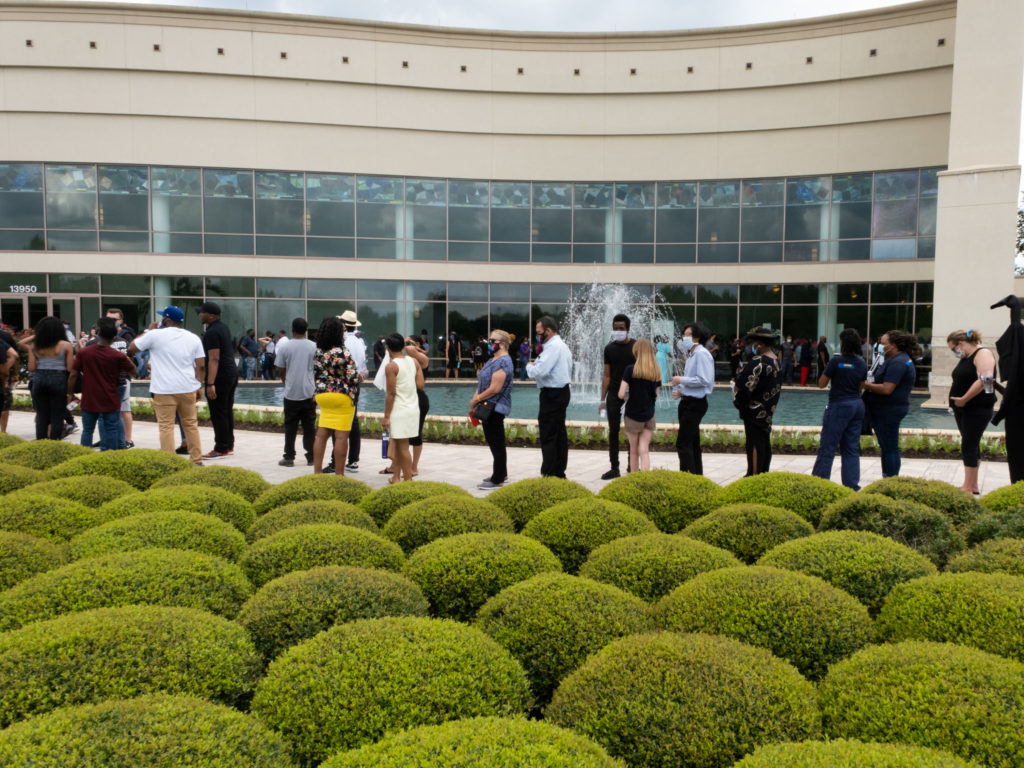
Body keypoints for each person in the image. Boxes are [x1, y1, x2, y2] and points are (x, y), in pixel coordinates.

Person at [128, 306, 205, 464]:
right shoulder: (193, 337)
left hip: (163, 389)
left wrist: (148, 331)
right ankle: (196, 460)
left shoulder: (155, 335)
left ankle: (170, 463)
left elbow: (132, 347)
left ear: (167, 320)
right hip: (187, 387)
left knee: (166, 426)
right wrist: (199, 386)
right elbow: (201, 366)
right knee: (190, 424)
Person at [68, 317, 136, 451]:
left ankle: (84, 456)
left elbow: (73, 375)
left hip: (89, 398)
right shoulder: (118, 356)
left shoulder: (84, 352)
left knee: (87, 430)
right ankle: (108, 456)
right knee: (111, 428)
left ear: (97, 333)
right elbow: (134, 372)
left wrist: (70, 393)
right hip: (110, 398)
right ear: (114, 336)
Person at [812, 328, 868, 490]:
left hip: (839, 406)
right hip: (857, 406)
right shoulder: (861, 362)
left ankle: (819, 484)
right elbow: (861, 387)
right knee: (851, 448)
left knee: (828, 447)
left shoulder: (836, 361)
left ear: (842, 343)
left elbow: (821, 384)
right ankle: (852, 486)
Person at [862, 330, 918, 478]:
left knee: (889, 447)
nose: (880, 346)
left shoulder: (898, 363)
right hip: (886, 409)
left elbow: (887, 389)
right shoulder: (895, 359)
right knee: (887, 446)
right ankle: (887, 476)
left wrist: (865, 385)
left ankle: (891, 478)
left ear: (893, 345)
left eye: (883, 343)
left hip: (888, 410)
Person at [947, 329, 996, 495]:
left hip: (976, 408)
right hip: (964, 409)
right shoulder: (966, 357)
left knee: (968, 445)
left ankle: (968, 487)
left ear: (960, 344)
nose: (955, 352)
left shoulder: (983, 354)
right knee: (971, 445)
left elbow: (986, 379)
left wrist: (964, 399)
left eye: (953, 349)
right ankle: (971, 484)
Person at [312, 316, 360, 475]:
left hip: (323, 396)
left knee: (321, 435)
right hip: (342, 396)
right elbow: (352, 377)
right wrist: (362, 377)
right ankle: (339, 475)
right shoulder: (343, 352)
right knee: (341, 437)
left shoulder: (318, 351)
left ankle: (316, 473)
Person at [526, 315, 573, 478]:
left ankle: (549, 472)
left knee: (549, 433)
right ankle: (559, 470)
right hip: (561, 392)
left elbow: (539, 370)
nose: (538, 336)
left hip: (552, 394)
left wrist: (529, 366)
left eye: (539, 333)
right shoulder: (562, 346)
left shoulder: (553, 347)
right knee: (559, 433)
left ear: (548, 331)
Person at [734, 327, 782, 476]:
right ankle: (763, 475)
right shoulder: (776, 361)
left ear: (760, 344)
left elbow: (740, 386)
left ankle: (753, 478)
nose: (752, 346)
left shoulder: (758, 362)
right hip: (767, 412)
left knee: (754, 445)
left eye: (754, 343)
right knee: (764, 444)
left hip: (754, 412)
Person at [670, 321, 715, 475]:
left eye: (688, 335)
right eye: (684, 335)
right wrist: (681, 391)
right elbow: (694, 381)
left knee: (683, 444)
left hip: (695, 404)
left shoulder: (701, 354)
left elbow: (704, 380)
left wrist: (681, 380)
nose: (684, 338)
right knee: (692, 443)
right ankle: (696, 477)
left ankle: (687, 479)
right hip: (688, 401)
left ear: (697, 337)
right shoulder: (692, 355)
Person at [472, 329, 515, 489]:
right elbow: (482, 383)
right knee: (494, 442)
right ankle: (501, 473)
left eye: (492, 341)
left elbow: (495, 388)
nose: (490, 344)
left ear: (502, 344)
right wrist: (475, 399)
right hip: (487, 405)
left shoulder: (504, 361)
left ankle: (498, 479)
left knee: (496, 443)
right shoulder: (493, 359)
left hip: (495, 407)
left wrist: (476, 399)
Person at [197, 301, 238, 459]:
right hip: (231, 374)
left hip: (220, 377)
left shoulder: (212, 332)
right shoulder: (223, 327)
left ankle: (220, 448)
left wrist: (210, 383)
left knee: (218, 413)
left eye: (203, 312)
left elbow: (214, 359)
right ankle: (228, 445)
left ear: (212, 315)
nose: (200, 314)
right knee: (226, 411)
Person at [275, 317, 317, 467]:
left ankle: (289, 457)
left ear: (292, 329)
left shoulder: (285, 347)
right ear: (306, 330)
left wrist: (286, 381)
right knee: (309, 427)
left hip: (291, 392)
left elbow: (281, 368)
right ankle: (311, 456)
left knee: (290, 426)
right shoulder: (314, 346)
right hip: (309, 392)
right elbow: (317, 369)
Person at [991, 295, 1024, 485]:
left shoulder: (1019, 362)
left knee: (1019, 457)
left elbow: (1017, 334)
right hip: (1017, 413)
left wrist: (1015, 309)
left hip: (1018, 419)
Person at [382, 332, 423, 483]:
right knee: (400, 446)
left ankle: (407, 481)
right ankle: (396, 478)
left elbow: (391, 393)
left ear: (388, 348)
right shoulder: (414, 362)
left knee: (403, 447)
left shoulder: (391, 367)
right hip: (413, 408)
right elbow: (420, 385)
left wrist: (386, 416)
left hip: (399, 410)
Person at [26, 316, 74, 441]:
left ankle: (41, 443)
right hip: (58, 379)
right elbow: (70, 368)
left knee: (41, 415)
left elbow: (31, 368)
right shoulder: (66, 345)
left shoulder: (35, 346)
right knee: (57, 415)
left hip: (39, 379)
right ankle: (54, 442)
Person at [599, 314, 635, 480]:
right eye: (615, 328)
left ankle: (631, 465)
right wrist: (602, 400)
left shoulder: (636, 347)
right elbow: (607, 375)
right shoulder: (609, 348)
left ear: (627, 329)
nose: (618, 331)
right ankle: (614, 468)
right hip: (614, 394)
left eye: (621, 328)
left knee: (632, 431)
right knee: (613, 431)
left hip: (632, 394)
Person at [618, 338, 660, 473]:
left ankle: (634, 479)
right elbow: (656, 395)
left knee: (634, 450)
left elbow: (620, 394)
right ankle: (645, 479)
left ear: (636, 351)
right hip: (649, 414)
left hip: (632, 414)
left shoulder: (630, 370)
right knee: (644, 449)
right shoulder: (656, 371)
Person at [338, 310, 367, 473]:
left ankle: (337, 461)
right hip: (356, 383)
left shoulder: (342, 342)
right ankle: (353, 460)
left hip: (342, 384)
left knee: (339, 422)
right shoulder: (359, 342)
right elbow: (362, 367)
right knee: (353, 421)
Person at [106, 308, 136, 448]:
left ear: (120, 321)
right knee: (107, 411)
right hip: (106, 379)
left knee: (124, 409)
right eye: (108, 319)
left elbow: (131, 357)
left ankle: (128, 439)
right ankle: (109, 437)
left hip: (122, 378)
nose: (111, 322)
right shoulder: (102, 336)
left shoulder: (126, 336)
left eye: (114, 319)